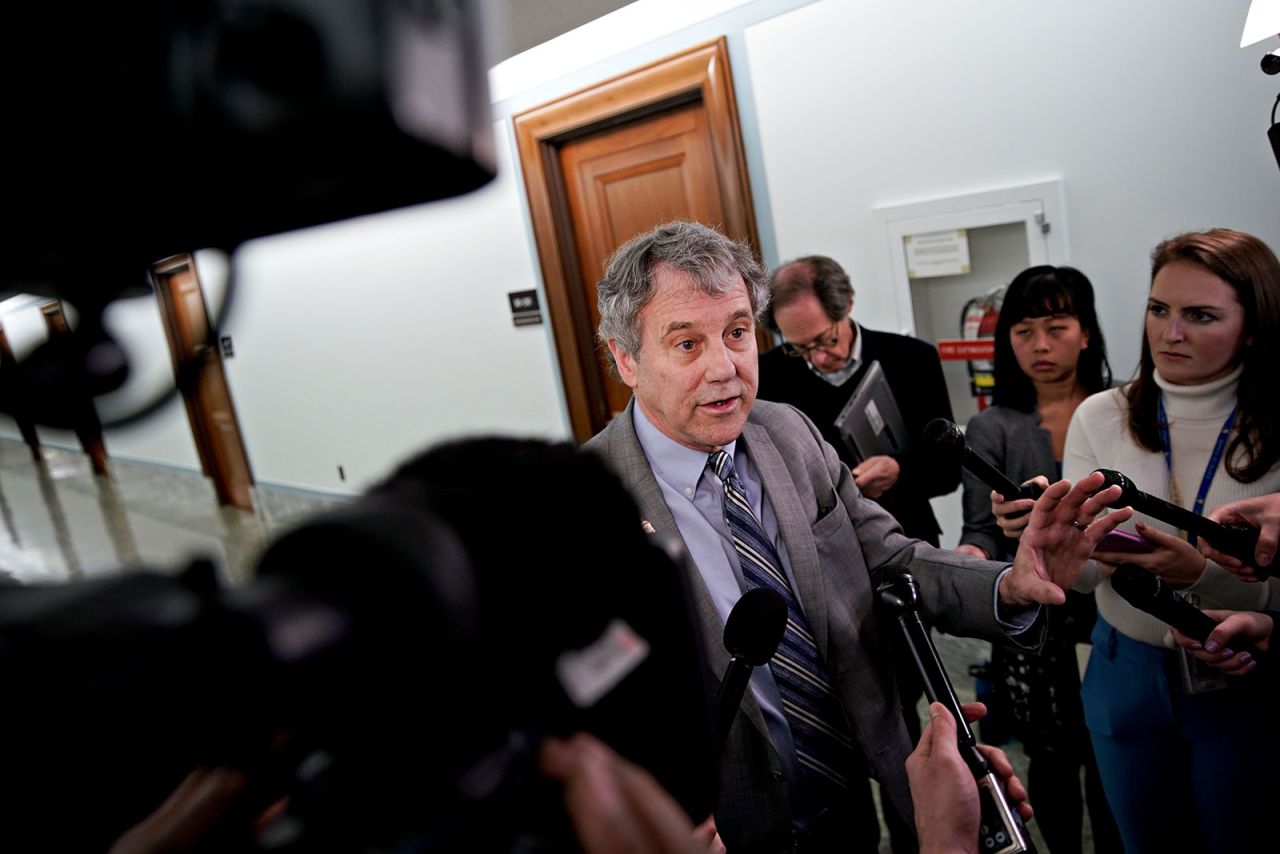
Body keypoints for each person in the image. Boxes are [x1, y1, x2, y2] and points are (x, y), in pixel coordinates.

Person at [585, 220, 1130, 853]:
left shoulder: (787, 432)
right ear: (625, 358)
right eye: (686, 344)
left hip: (849, 800)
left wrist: (1012, 583)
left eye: (737, 333)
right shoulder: (582, 503)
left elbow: (892, 558)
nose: (725, 369)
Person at [1060, 228, 1280, 852]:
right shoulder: (1101, 414)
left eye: (1200, 316)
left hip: (1242, 672)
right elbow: (1081, 580)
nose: (1170, 333)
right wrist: (1055, 548)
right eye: (1159, 309)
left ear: (1255, 325)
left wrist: (1199, 577)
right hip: (1123, 664)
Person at [954, 266, 1121, 853]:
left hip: (1114, 612)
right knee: (1049, 758)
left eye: (1057, 327)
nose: (1041, 346)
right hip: (1036, 622)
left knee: (1114, 756)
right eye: (1024, 331)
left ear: (1087, 333)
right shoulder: (991, 424)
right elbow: (979, 530)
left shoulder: (1120, 410)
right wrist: (967, 561)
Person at [757, 255, 958, 545]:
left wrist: (900, 471)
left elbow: (948, 470)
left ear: (847, 304)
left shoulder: (913, 360)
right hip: (821, 546)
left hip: (906, 534)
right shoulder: (768, 375)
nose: (818, 358)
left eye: (826, 339)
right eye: (799, 348)